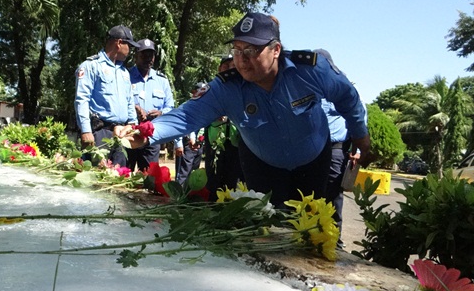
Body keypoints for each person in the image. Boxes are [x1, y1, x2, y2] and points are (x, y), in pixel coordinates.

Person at [117, 12, 372, 207]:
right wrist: (146, 133)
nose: (242, 59)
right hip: (262, 165)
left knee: (308, 229)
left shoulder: (310, 70)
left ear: (276, 50)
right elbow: (188, 115)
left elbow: (347, 97)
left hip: (313, 161)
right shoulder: (227, 88)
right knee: (264, 228)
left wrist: (361, 136)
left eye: (251, 50)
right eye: (237, 50)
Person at [74, 25, 140, 167]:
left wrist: (133, 126)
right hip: (99, 133)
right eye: (129, 46)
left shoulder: (124, 72)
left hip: (121, 134)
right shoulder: (91, 66)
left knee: (119, 175)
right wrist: (86, 130)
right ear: (119, 43)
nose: (130, 50)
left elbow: (129, 102)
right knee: (97, 175)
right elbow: (82, 99)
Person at [315, 49, 363, 234]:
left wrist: (358, 151)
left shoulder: (342, 85)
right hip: (311, 150)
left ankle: (334, 240)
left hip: (335, 149)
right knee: (311, 194)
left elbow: (359, 117)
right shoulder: (308, 86)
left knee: (333, 194)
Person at [126, 39, 175, 171]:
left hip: (151, 135)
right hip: (129, 133)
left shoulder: (162, 80)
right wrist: (134, 108)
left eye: (151, 55)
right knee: (124, 173)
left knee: (149, 176)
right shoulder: (126, 76)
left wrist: (161, 113)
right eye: (144, 55)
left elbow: (170, 107)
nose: (148, 59)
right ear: (136, 56)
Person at [203, 55, 244, 201]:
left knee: (233, 179)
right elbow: (201, 112)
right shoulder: (210, 88)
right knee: (213, 179)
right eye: (226, 66)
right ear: (219, 69)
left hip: (235, 142)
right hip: (215, 142)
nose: (229, 70)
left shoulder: (243, 88)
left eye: (233, 66)